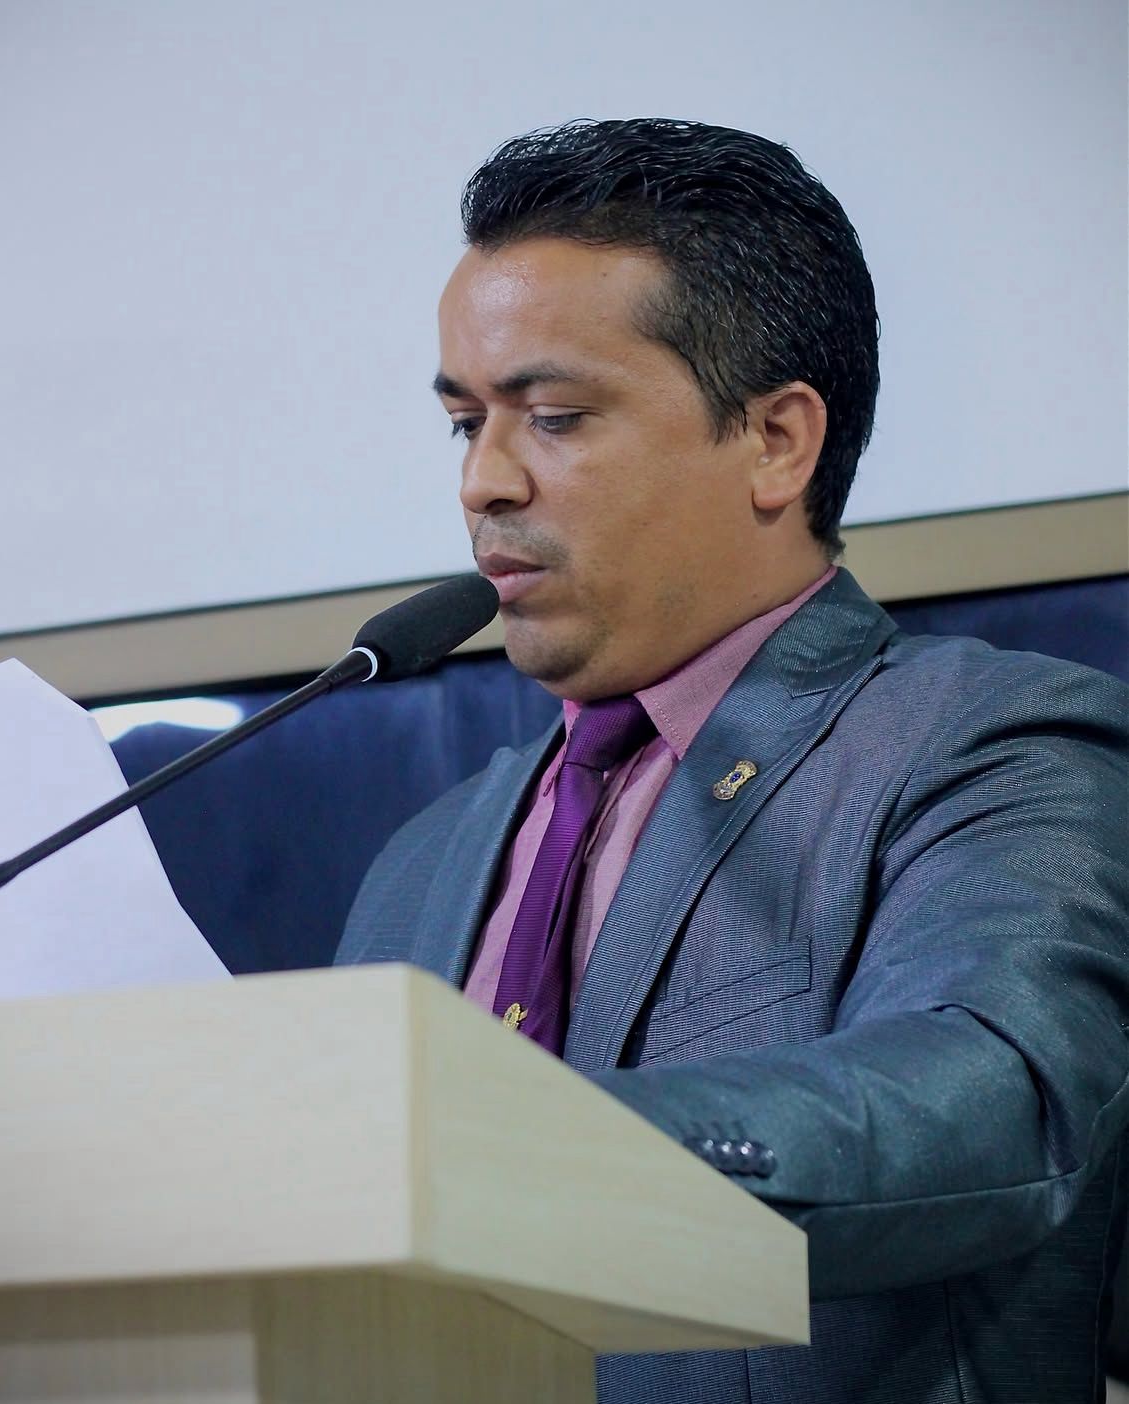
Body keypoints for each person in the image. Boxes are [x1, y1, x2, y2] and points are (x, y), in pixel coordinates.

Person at [334, 119, 1129, 1403]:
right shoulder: (422, 862)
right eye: (464, 424)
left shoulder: (995, 749)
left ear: (776, 441)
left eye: (553, 417)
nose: (483, 481)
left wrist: (491, 1154)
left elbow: (995, 1099)